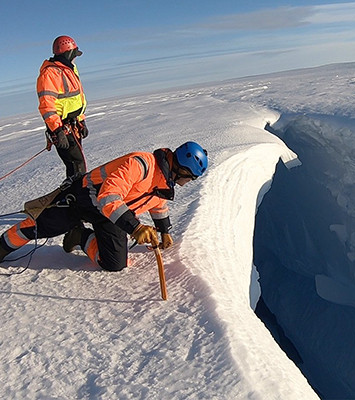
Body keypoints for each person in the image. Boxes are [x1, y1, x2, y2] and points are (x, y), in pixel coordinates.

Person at [0, 142, 208, 271]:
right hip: (83, 200)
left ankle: (79, 236)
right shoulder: (142, 164)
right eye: (188, 178)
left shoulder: (163, 181)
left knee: (115, 264)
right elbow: (107, 197)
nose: (185, 183)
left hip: (113, 215)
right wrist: (135, 227)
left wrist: (164, 231)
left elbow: (157, 203)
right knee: (38, 228)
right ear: (180, 169)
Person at [37, 35, 89, 178]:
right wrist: (58, 130)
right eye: (74, 54)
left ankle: (77, 193)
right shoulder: (50, 73)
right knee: (75, 163)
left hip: (73, 125)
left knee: (78, 163)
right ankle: (76, 195)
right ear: (69, 53)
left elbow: (76, 99)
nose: (75, 58)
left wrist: (81, 120)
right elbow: (46, 106)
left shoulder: (69, 69)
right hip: (62, 126)